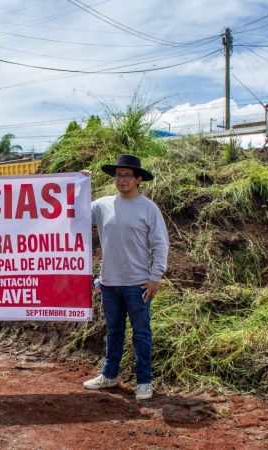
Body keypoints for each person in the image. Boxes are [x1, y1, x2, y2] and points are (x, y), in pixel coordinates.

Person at [82, 154, 169, 400]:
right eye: (118, 175)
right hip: (109, 284)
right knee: (114, 332)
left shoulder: (148, 208)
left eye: (127, 176)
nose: (122, 180)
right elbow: (76, 215)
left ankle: (144, 382)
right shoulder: (102, 205)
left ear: (138, 179)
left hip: (138, 284)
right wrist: (80, 185)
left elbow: (161, 244)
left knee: (141, 334)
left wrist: (155, 277)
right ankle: (109, 375)